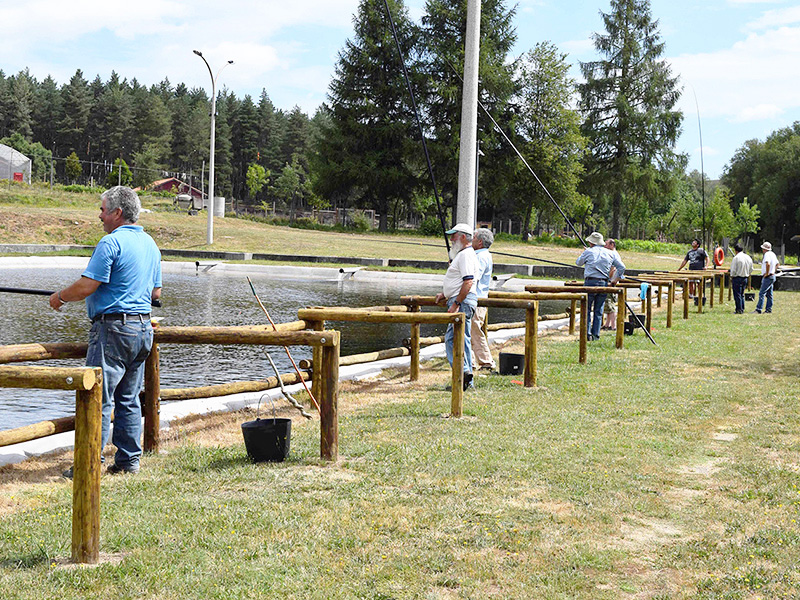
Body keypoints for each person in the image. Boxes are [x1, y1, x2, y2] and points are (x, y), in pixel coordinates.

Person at [50, 186, 162, 476]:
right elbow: (156, 293)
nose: (100, 215)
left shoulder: (110, 243)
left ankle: (89, 464)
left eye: (102, 209)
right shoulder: (150, 244)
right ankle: (128, 462)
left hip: (113, 329)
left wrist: (59, 297)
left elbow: (87, 285)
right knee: (128, 398)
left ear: (117, 212)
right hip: (142, 330)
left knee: (98, 397)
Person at [434, 223, 479, 390]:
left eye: (454, 235)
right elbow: (461, 281)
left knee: (453, 339)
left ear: (463, 237)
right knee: (462, 338)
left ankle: (463, 374)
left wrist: (456, 303)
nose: (451, 239)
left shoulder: (466, 255)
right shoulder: (465, 255)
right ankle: (466, 380)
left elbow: (468, 282)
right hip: (464, 300)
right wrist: (445, 295)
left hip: (463, 302)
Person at [576, 232, 625, 341]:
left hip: (589, 282)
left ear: (591, 242)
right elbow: (622, 267)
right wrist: (613, 280)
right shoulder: (610, 253)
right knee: (599, 310)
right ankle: (596, 335)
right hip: (603, 283)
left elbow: (578, 263)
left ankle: (587, 334)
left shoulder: (588, 251)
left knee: (587, 309)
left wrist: (584, 253)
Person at [470, 228, 496, 372]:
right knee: (471, 330)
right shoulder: (482, 255)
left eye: (473, 237)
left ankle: (486, 362)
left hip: (477, 299)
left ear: (479, 242)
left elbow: (474, 277)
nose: (471, 239)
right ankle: (471, 362)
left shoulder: (480, 257)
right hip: (479, 299)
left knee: (474, 330)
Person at [754, 241, 779, 314]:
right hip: (772, 275)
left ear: (764, 249)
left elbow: (767, 264)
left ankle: (759, 309)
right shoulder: (773, 254)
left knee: (762, 293)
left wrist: (767, 273)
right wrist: (773, 271)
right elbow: (777, 264)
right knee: (769, 294)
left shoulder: (767, 255)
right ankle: (769, 309)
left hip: (768, 276)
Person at [729, 243, 753, 314]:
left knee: (737, 294)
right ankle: (742, 307)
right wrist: (747, 273)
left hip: (737, 278)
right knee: (742, 294)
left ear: (735, 250)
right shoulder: (748, 257)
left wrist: (731, 276)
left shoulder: (736, 258)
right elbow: (751, 268)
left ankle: (739, 309)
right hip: (745, 277)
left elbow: (733, 270)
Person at [602, 238, 620, 330]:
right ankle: (607, 324)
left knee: (610, 305)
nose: (604, 246)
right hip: (612, 281)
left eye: (606, 244)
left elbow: (612, 269)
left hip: (610, 282)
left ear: (612, 245)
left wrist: (606, 278)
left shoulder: (613, 254)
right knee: (608, 304)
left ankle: (613, 326)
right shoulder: (614, 254)